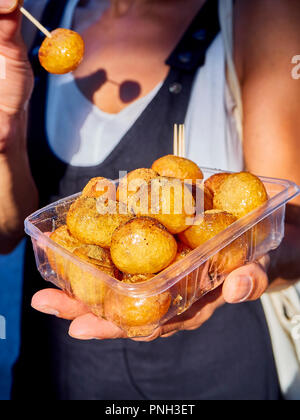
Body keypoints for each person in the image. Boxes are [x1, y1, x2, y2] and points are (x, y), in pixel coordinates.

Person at [0, 0, 299, 400]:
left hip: (219, 375)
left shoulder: (262, 13)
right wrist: (5, 135)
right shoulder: (31, 17)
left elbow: (291, 225)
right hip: (58, 372)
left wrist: (248, 257)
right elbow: (8, 231)